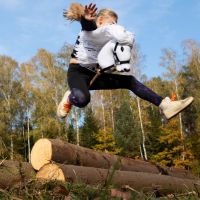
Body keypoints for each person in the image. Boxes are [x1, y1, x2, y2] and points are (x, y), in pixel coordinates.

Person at [57, 3, 193, 120]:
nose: (114, 27)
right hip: (78, 73)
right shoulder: (91, 29)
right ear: (100, 21)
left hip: (95, 75)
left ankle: (165, 105)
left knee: (129, 81)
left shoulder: (110, 40)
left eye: (115, 24)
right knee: (82, 100)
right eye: (111, 23)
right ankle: (70, 97)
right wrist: (85, 19)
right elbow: (87, 26)